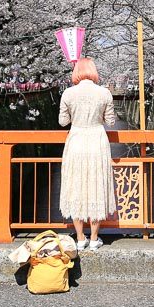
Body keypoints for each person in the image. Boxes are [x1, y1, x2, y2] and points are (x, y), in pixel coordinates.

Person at [58, 57, 117, 251]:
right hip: (97, 141)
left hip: (76, 141)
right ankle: (94, 239)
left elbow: (62, 122)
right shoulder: (104, 93)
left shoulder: (68, 93)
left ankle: (80, 238)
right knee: (96, 185)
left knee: (76, 186)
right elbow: (110, 122)